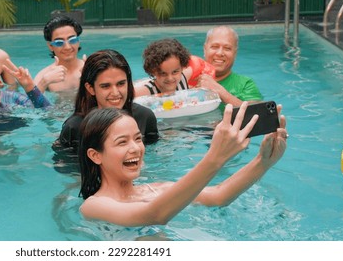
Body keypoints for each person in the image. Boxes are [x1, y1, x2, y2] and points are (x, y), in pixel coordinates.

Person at [78, 105, 288, 227]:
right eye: (122, 142)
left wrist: (263, 162)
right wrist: (215, 157)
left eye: (137, 138)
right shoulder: (95, 205)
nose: (136, 148)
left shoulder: (158, 189)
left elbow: (219, 196)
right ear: (95, 155)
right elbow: (154, 216)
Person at [57, 49, 159, 151]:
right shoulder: (74, 128)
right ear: (90, 88)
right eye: (105, 86)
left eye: (121, 84)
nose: (115, 93)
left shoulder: (144, 117)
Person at [194, 25, 263, 107]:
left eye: (227, 48)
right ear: (205, 49)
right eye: (215, 47)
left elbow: (257, 114)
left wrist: (219, 91)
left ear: (235, 53)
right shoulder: (185, 77)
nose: (220, 53)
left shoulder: (245, 84)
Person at [33, 15, 86, 94]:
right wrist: (44, 83)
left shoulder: (90, 69)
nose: (67, 47)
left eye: (72, 40)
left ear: (78, 41)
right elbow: (30, 104)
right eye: (59, 43)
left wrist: (90, 77)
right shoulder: (44, 76)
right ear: (50, 46)